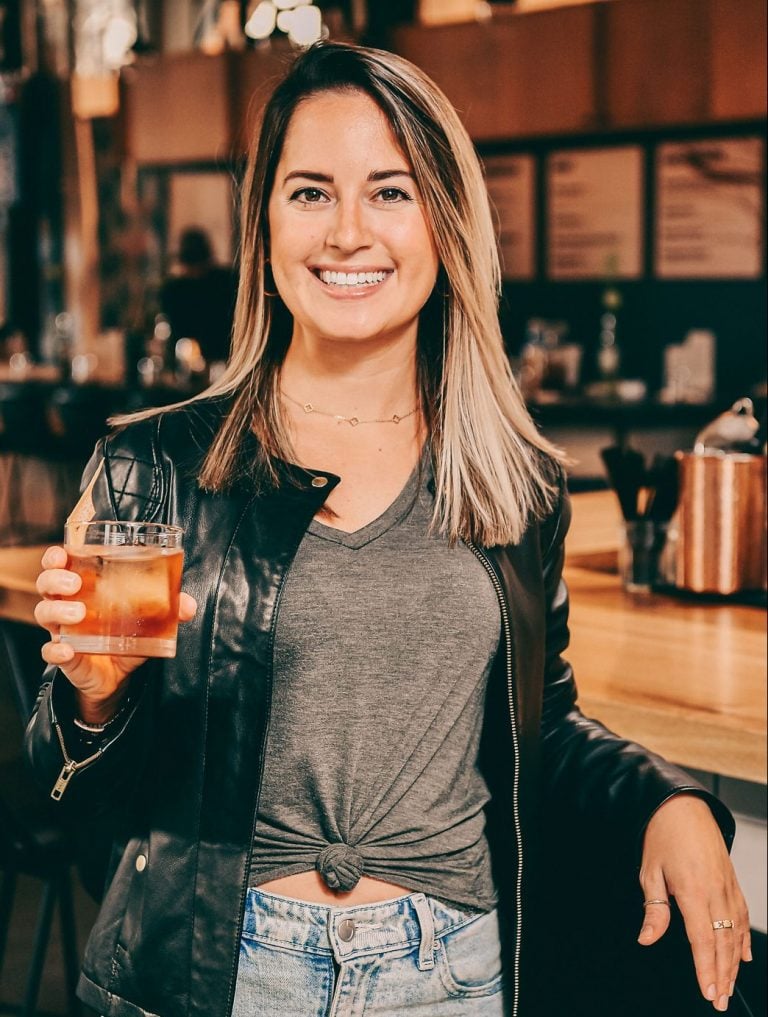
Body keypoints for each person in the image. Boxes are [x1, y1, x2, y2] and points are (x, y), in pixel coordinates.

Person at [26, 42, 749, 1017]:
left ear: (445, 223)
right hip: (223, 971)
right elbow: (73, 800)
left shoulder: (515, 476)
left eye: (392, 192)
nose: (348, 233)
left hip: (451, 971)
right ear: (266, 223)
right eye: (311, 193)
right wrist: (95, 701)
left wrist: (663, 798)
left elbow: (541, 719)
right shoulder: (155, 465)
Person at [159, 226, 238, 366]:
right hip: (189, 360)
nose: (194, 273)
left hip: (225, 358)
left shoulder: (226, 282)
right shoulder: (173, 290)